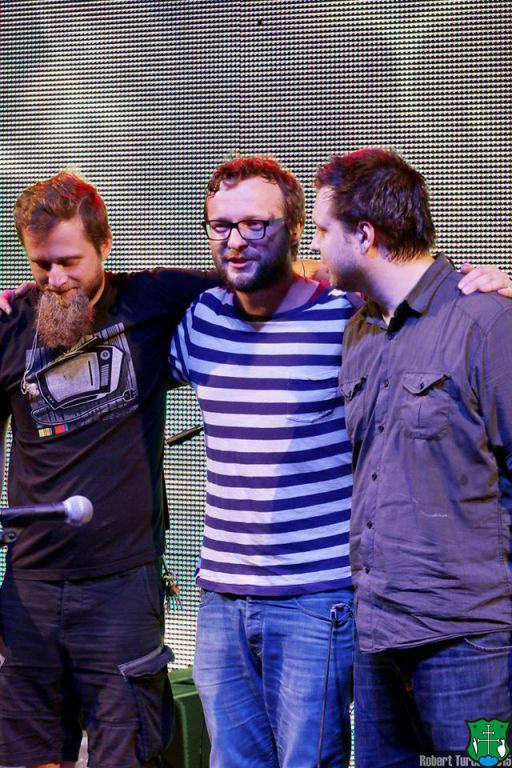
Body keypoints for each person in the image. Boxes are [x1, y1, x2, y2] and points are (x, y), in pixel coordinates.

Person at [168, 154, 512, 768]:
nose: (236, 239)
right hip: (282, 608)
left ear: (305, 229)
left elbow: (430, 301)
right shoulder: (217, 321)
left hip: (383, 613)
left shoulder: (370, 318)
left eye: (257, 224)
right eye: (220, 225)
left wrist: (493, 287)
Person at [0, 171, 215, 768]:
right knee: (29, 755)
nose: (55, 279)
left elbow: (268, 280)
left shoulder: (154, 300)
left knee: (127, 755)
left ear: (105, 244)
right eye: (41, 264)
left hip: (122, 586)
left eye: (69, 261)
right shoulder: (10, 324)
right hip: (29, 586)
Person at [311, 147, 512, 766]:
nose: (313, 247)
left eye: (321, 230)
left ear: (364, 235)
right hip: (380, 635)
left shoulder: (486, 322)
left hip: (471, 645)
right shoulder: (359, 330)